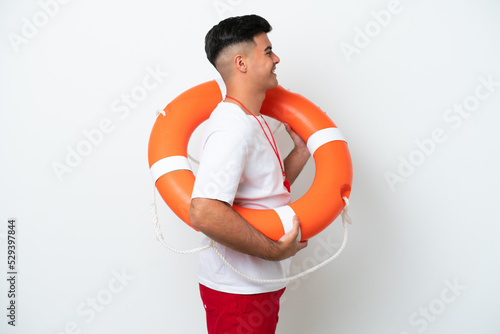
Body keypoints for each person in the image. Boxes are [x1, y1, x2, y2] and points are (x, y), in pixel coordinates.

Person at [190, 14, 310, 334]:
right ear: (241, 63)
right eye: (268, 51)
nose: (277, 58)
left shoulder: (250, 121)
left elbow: (266, 189)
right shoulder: (234, 128)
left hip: (254, 287)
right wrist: (274, 251)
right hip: (238, 293)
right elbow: (204, 211)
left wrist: (299, 153)